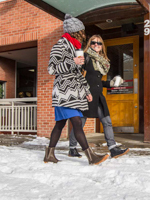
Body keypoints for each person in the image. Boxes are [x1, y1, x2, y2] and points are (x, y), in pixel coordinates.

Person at [44, 15, 109, 165]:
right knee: (77, 123)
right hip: (64, 94)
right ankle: (91, 157)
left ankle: (49, 154)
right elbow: (51, 69)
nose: (83, 33)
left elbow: (77, 75)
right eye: (81, 30)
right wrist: (71, 61)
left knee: (60, 125)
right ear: (75, 31)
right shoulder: (60, 46)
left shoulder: (75, 47)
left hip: (74, 93)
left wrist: (86, 91)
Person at [68, 35, 129, 159]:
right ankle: (72, 148)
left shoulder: (101, 61)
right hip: (86, 95)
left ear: (102, 46)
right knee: (80, 123)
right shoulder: (85, 56)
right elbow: (77, 74)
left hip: (98, 95)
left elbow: (97, 81)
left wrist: (110, 83)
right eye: (93, 43)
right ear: (89, 44)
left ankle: (113, 148)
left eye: (99, 43)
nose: (96, 45)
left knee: (107, 122)